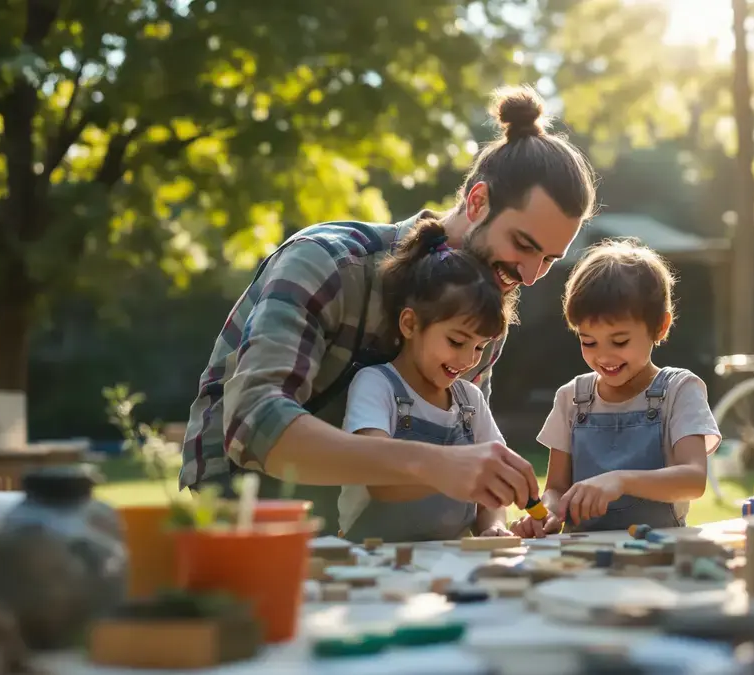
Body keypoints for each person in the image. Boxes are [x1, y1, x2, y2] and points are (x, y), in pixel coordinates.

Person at [178, 85, 599, 536]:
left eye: (550, 260)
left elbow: (463, 443)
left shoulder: (487, 313)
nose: (532, 275)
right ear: (477, 202)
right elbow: (255, 423)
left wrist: (490, 511)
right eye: (523, 245)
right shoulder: (328, 263)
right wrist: (430, 464)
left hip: (369, 532)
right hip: (245, 509)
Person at [511, 239, 721, 536]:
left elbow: (693, 479)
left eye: (620, 341)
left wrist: (620, 481)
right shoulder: (571, 398)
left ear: (660, 327)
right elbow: (557, 489)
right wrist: (547, 514)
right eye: (588, 342)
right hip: (583, 557)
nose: (604, 357)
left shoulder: (679, 390)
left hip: (656, 556)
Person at [338, 220, 518, 542]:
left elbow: (492, 487)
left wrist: (494, 525)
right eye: (456, 341)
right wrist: (457, 470)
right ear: (410, 324)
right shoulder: (376, 385)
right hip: (376, 561)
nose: (468, 360)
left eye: (479, 346)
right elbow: (380, 477)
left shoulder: (470, 401)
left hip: (449, 562)